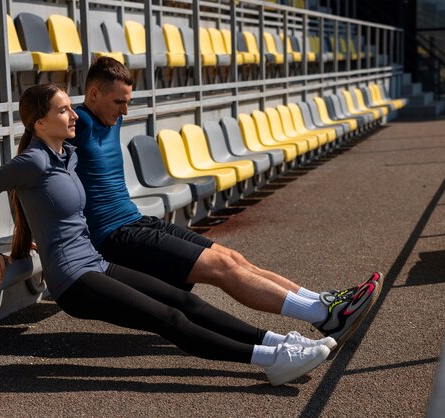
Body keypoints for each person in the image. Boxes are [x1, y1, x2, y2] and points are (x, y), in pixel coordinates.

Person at [0, 84, 338, 387]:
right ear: (39, 123)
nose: (74, 115)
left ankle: (275, 340)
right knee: (169, 318)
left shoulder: (65, 155)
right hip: (75, 282)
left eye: (71, 107)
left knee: (185, 302)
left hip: (96, 263)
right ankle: (270, 361)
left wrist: (33, 235)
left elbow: (47, 209)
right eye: (63, 110)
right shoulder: (33, 161)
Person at [70, 56, 383, 353]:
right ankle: (325, 316)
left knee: (233, 258)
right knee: (222, 269)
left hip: (136, 220)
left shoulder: (109, 119)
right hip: (115, 236)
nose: (125, 111)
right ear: (94, 93)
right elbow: (32, 161)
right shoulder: (77, 123)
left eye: (128, 101)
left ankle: (325, 304)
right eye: (119, 102)